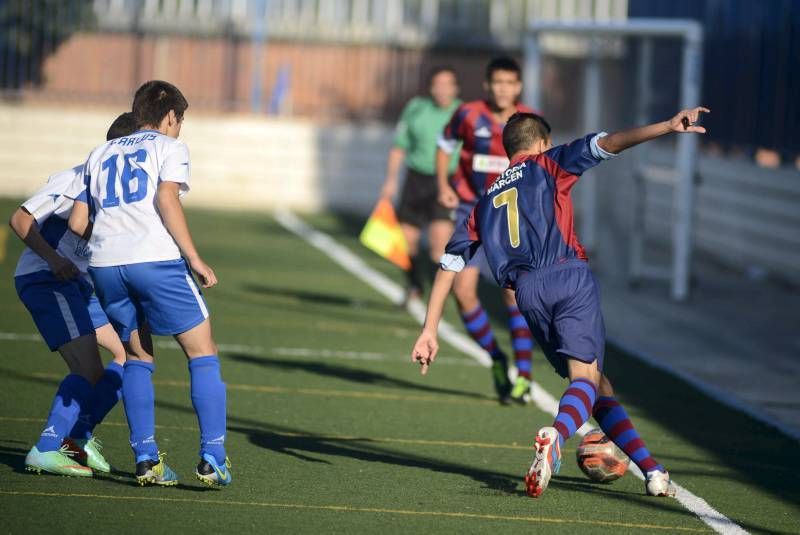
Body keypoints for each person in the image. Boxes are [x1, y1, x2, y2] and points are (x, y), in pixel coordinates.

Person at [412, 106, 710, 498]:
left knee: (598, 383)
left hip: (528, 296)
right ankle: (557, 435)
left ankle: (653, 471)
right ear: (542, 143)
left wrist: (429, 328)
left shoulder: (485, 202)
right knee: (585, 379)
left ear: (507, 151)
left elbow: (449, 265)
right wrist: (667, 126)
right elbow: (611, 142)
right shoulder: (549, 164)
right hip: (567, 275)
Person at [67, 80, 231, 487]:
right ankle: (213, 457)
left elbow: (78, 223)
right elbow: (166, 198)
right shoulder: (169, 147)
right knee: (202, 352)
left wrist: (111, 246)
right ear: (170, 116)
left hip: (105, 265)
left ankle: (146, 459)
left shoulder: (99, 152)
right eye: (181, 120)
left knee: (136, 356)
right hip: (155, 260)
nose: (180, 129)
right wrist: (193, 257)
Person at [11, 112, 139, 477]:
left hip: (77, 285)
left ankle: (78, 438)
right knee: (87, 367)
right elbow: (20, 220)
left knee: (129, 355)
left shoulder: (118, 193)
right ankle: (46, 447)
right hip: (46, 279)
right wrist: (53, 261)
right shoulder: (73, 179)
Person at [435, 57, 537, 404]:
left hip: (509, 216)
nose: (503, 88)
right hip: (470, 211)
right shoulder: (468, 114)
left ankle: (524, 375)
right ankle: (496, 357)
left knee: (514, 294)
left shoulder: (528, 122)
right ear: (487, 85)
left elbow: (542, 165)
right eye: (497, 82)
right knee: (462, 291)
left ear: (518, 86)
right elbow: (445, 144)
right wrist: (442, 184)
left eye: (510, 82)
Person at [378, 66, 461, 302]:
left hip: (447, 182)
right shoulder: (416, 109)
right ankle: (414, 284)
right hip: (416, 179)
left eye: (448, 85)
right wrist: (391, 180)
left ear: (456, 88)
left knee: (438, 245)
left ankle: (439, 296)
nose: (443, 90)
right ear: (431, 87)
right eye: (438, 84)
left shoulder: (463, 113)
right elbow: (399, 146)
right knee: (405, 241)